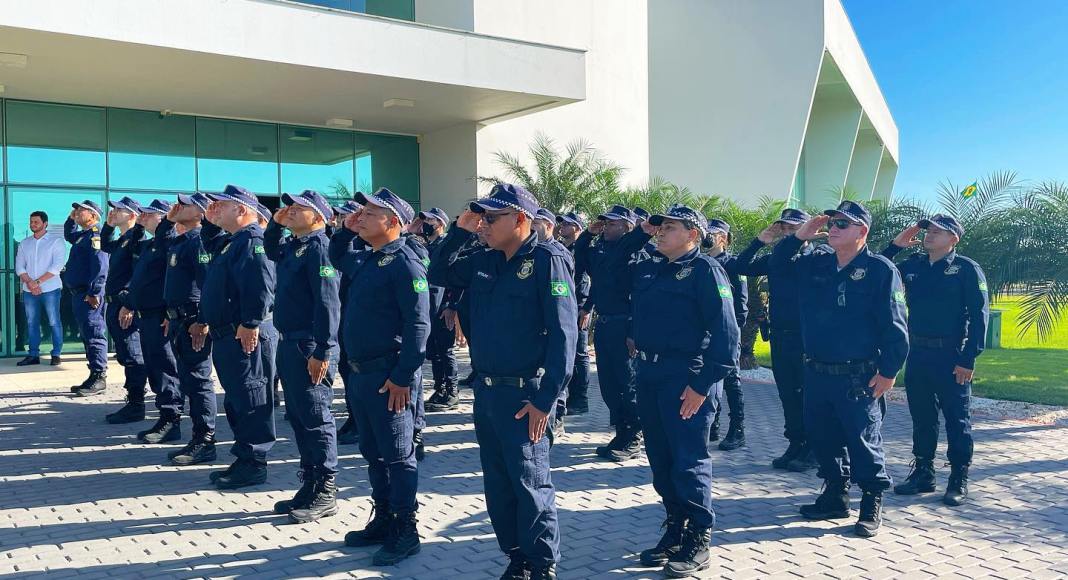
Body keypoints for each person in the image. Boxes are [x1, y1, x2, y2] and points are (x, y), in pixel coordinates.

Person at [428, 184, 576, 580]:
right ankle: (517, 558)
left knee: (530, 484)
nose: (484, 224)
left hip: (527, 393)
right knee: (498, 483)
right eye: (481, 217)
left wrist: (547, 400)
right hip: (488, 392)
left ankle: (543, 566)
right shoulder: (483, 259)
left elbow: (564, 336)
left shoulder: (547, 260)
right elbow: (437, 270)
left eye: (492, 218)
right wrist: (459, 230)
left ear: (521, 220)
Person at [772, 200, 909, 537]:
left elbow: (896, 326)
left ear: (862, 231)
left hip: (858, 374)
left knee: (863, 439)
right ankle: (835, 495)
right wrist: (799, 236)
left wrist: (889, 371)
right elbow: (776, 264)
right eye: (832, 222)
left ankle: (871, 502)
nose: (833, 228)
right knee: (822, 438)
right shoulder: (815, 263)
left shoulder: (880, 269)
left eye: (843, 224)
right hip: (817, 371)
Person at [628, 206, 739, 578]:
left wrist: (701, 386)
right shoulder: (650, 267)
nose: (660, 232)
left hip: (685, 378)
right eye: (659, 227)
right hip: (650, 374)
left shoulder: (706, 270)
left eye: (670, 227)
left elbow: (727, 336)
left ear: (693, 234)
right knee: (661, 459)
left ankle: (698, 537)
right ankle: (675, 528)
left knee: (688, 461)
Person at [331, 188, 429, 566]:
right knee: (373, 453)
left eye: (370, 213)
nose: (362, 216)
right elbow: (337, 256)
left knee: (399, 456)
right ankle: (385, 518)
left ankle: (406, 529)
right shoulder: (370, 259)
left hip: (390, 378)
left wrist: (404, 377)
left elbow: (419, 324)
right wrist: (345, 228)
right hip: (361, 376)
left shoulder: (405, 261)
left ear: (392, 222)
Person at [883, 214, 988, 506]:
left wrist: (969, 358)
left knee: (957, 418)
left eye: (938, 232)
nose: (929, 235)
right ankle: (923, 473)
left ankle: (958, 477)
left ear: (954, 238)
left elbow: (980, 317)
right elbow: (876, 269)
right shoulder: (913, 266)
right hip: (917, 353)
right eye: (928, 230)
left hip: (951, 355)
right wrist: (895, 245)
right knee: (922, 416)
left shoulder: (966, 269)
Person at [265, 190, 342, 522]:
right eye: (290, 207)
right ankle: (309, 483)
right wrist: (273, 224)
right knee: (298, 418)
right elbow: (271, 251)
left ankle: (326, 490)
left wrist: (324, 348)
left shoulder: (321, 248)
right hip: (289, 342)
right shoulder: (295, 247)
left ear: (319, 217)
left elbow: (328, 302)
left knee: (316, 417)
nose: (292, 211)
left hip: (310, 345)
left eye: (301, 208)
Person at [198, 185, 277, 490]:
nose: (214, 208)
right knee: (237, 399)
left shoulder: (253, 240)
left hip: (244, 332)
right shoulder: (233, 241)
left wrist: (251, 321)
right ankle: (244, 456)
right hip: (228, 334)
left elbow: (261, 285)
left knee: (253, 397)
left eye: (221, 205)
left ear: (241, 210)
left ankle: (255, 462)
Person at [734, 209, 820, 471]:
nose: (787, 233)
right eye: (784, 228)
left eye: (793, 228)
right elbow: (739, 266)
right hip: (781, 337)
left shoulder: (819, 257)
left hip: (807, 339)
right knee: (787, 394)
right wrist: (759, 241)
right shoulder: (776, 259)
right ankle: (795, 443)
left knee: (809, 394)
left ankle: (813, 448)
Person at [574, 205, 651, 462]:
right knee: (609, 385)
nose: (606, 227)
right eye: (604, 223)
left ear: (627, 228)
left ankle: (634, 438)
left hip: (624, 325)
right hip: (606, 325)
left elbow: (640, 299)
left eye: (612, 224)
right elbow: (581, 259)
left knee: (627, 385)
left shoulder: (634, 256)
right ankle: (621, 433)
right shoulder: (603, 253)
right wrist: (587, 234)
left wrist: (634, 332)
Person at [155, 193, 220, 458]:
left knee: (197, 380)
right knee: (188, 379)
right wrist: (169, 219)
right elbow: (160, 240)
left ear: (201, 213)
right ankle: (198, 436)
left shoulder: (199, 241)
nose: (177, 207)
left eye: (185, 205)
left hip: (193, 319)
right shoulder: (182, 240)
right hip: (179, 319)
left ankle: (205, 440)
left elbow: (208, 285)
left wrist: (202, 321)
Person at [125, 200, 185, 441]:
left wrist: (170, 312)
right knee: (154, 368)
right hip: (146, 315)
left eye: (148, 215)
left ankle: (172, 421)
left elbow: (177, 282)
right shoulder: (152, 244)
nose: (142, 218)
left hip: (160, 317)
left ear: (162, 219)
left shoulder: (169, 243)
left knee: (165, 369)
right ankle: (164, 416)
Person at [100, 197, 150, 423]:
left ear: (131, 215)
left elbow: (137, 274)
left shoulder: (136, 240)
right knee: (124, 354)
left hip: (124, 305)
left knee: (133, 355)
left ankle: (137, 404)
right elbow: (103, 244)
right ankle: (133, 398)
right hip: (114, 303)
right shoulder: (123, 239)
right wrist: (108, 225)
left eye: (118, 210)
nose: (113, 212)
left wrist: (129, 303)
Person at [703, 218, 749, 450]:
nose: (708, 236)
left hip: (727, 332)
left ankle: (737, 429)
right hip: (706, 333)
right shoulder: (701, 263)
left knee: (731, 380)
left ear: (723, 238)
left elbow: (741, 305)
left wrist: (732, 331)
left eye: (713, 233)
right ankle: (714, 425)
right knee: (711, 378)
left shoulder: (733, 264)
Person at [63, 200, 110, 396]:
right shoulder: (82, 236)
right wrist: (70, 218)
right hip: (79, 294)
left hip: (88, 295)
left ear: (93, 215)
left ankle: (99, 377)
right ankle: (93, 374)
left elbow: (101, 266)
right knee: (86, 334)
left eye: (81, 210)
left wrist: (95, 292)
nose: (77, 212)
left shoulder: (95, 236)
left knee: (94, 333)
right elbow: (69, 235)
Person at [420, 207, 461, 413]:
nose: (426, 223)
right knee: (435, 351)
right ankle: (440, 388)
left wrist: (451, 306)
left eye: (430, 220)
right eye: (425, 219)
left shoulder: (446, 246)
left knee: (446, 350)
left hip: (443, 306)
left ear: (440, 224)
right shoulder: (427, 246)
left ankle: (452, 392)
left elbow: (454, 280)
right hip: (430, 307)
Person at [15, 210, 67, 367]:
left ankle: (56, 354)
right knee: (32, 323)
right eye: (31, 222)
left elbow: (57, 266)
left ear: (45, 224)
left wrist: (36, 282)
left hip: (51, 289)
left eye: (36, 222)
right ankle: (33, 355)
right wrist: (30, 283)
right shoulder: (25, 243)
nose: (33, 224)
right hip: (29, 290)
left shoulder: (56, 241)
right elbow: (19, 267)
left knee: (53, 321)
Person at [332, 200, 364, 446]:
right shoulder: (343, 243)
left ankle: (359, 422)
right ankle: (354, 418)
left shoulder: (366, 247)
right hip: (345, 320)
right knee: (347, 373)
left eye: (347, 215)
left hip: (361, 323)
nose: (342, 220)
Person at [555, 212, 592, 415]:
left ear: (578, 228)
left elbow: (584, 279)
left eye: (568, 224)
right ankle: (570, 396)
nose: (563, 227)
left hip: (578, 306)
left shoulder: (582, 249)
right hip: (567, 307)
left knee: (580, 355)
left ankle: (581, 398)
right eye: (562, 224)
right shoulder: (563, 248)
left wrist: (585, 308)